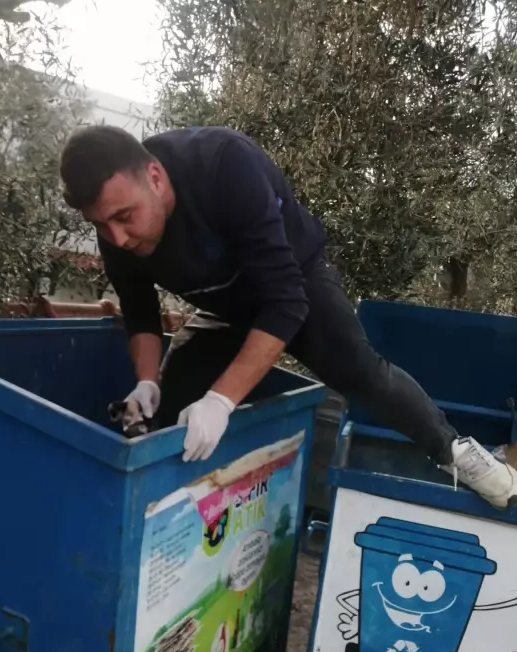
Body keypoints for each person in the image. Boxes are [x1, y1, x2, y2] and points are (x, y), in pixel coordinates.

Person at [59, 124, 517, 510]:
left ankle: (455, 451)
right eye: (101, 225)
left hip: (294, 282)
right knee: (176, 402)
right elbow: (140, 313)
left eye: (124, 217)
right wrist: (146, 383)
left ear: (155, 178)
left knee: (357, 369)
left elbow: (285, 302)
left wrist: (222, 401)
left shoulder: (223, 164)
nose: (116, 238)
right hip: (224, 307)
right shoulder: (115, 230)